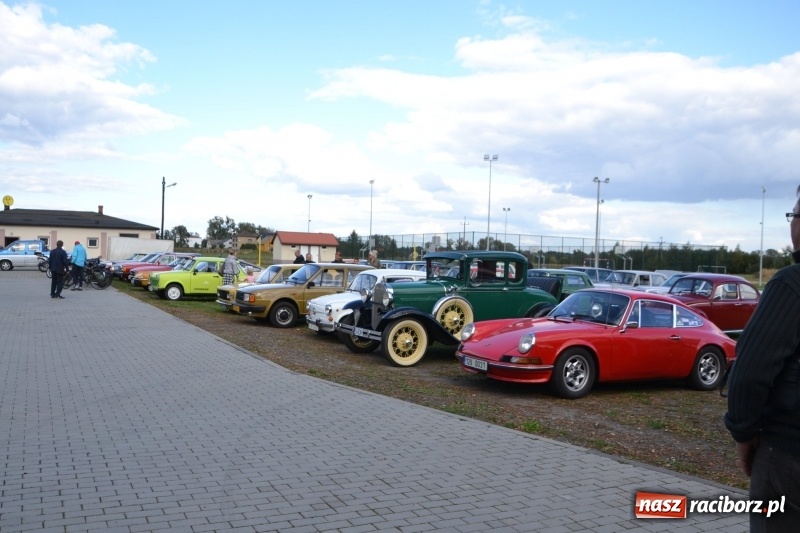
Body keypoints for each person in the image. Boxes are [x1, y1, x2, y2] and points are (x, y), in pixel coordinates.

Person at [724, 184, 800, 532]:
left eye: (795, 214)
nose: (792, 224)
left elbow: (750, 374)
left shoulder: (790, 286)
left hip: (787, 456)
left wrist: (744, 436)